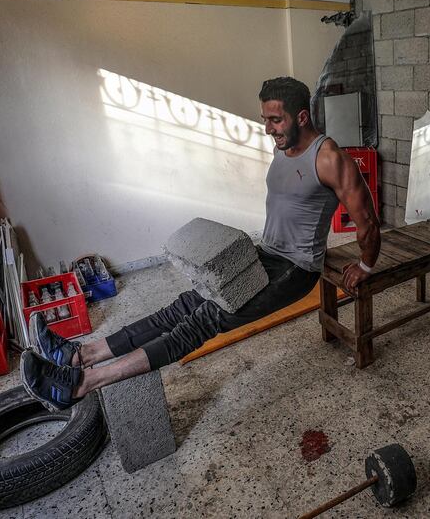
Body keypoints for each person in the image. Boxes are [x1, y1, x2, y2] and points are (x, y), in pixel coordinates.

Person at [21, 77, 381, 411]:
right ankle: (80, 356)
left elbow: (366, 221)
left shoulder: (330, 158)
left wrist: (365, 265)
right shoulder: (282, 149)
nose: (268, 128)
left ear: (301, 116)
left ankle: (81, 384)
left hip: (295, 270)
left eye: (275, 120)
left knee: (204, 320)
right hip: (263, 255)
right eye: (265, 119)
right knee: (183, 306)